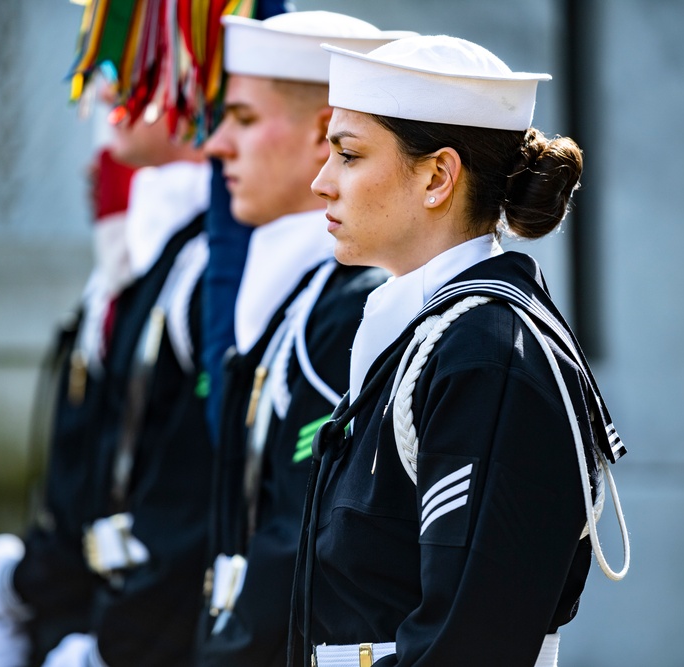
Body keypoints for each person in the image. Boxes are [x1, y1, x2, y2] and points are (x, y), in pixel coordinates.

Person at [292, 34, 631, 667]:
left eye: (348, 155)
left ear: (438, 176)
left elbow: (469, 642)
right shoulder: (432, 336)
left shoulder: (486, 354)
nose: (321, 183)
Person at [0, 77, 213, 667]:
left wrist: (106, 643)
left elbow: (184, 502)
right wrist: (30, 584)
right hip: (96, 612)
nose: (104, 102)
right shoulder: (133, 274)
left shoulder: (197, 268)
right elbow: (89, 481)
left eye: (139, 78)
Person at [193, 12, 410, 667]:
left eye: (245, 118)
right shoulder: (300, 299)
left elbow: (305, 539)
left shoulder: (355, 307)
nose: (216, 145)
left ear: (323, 134)